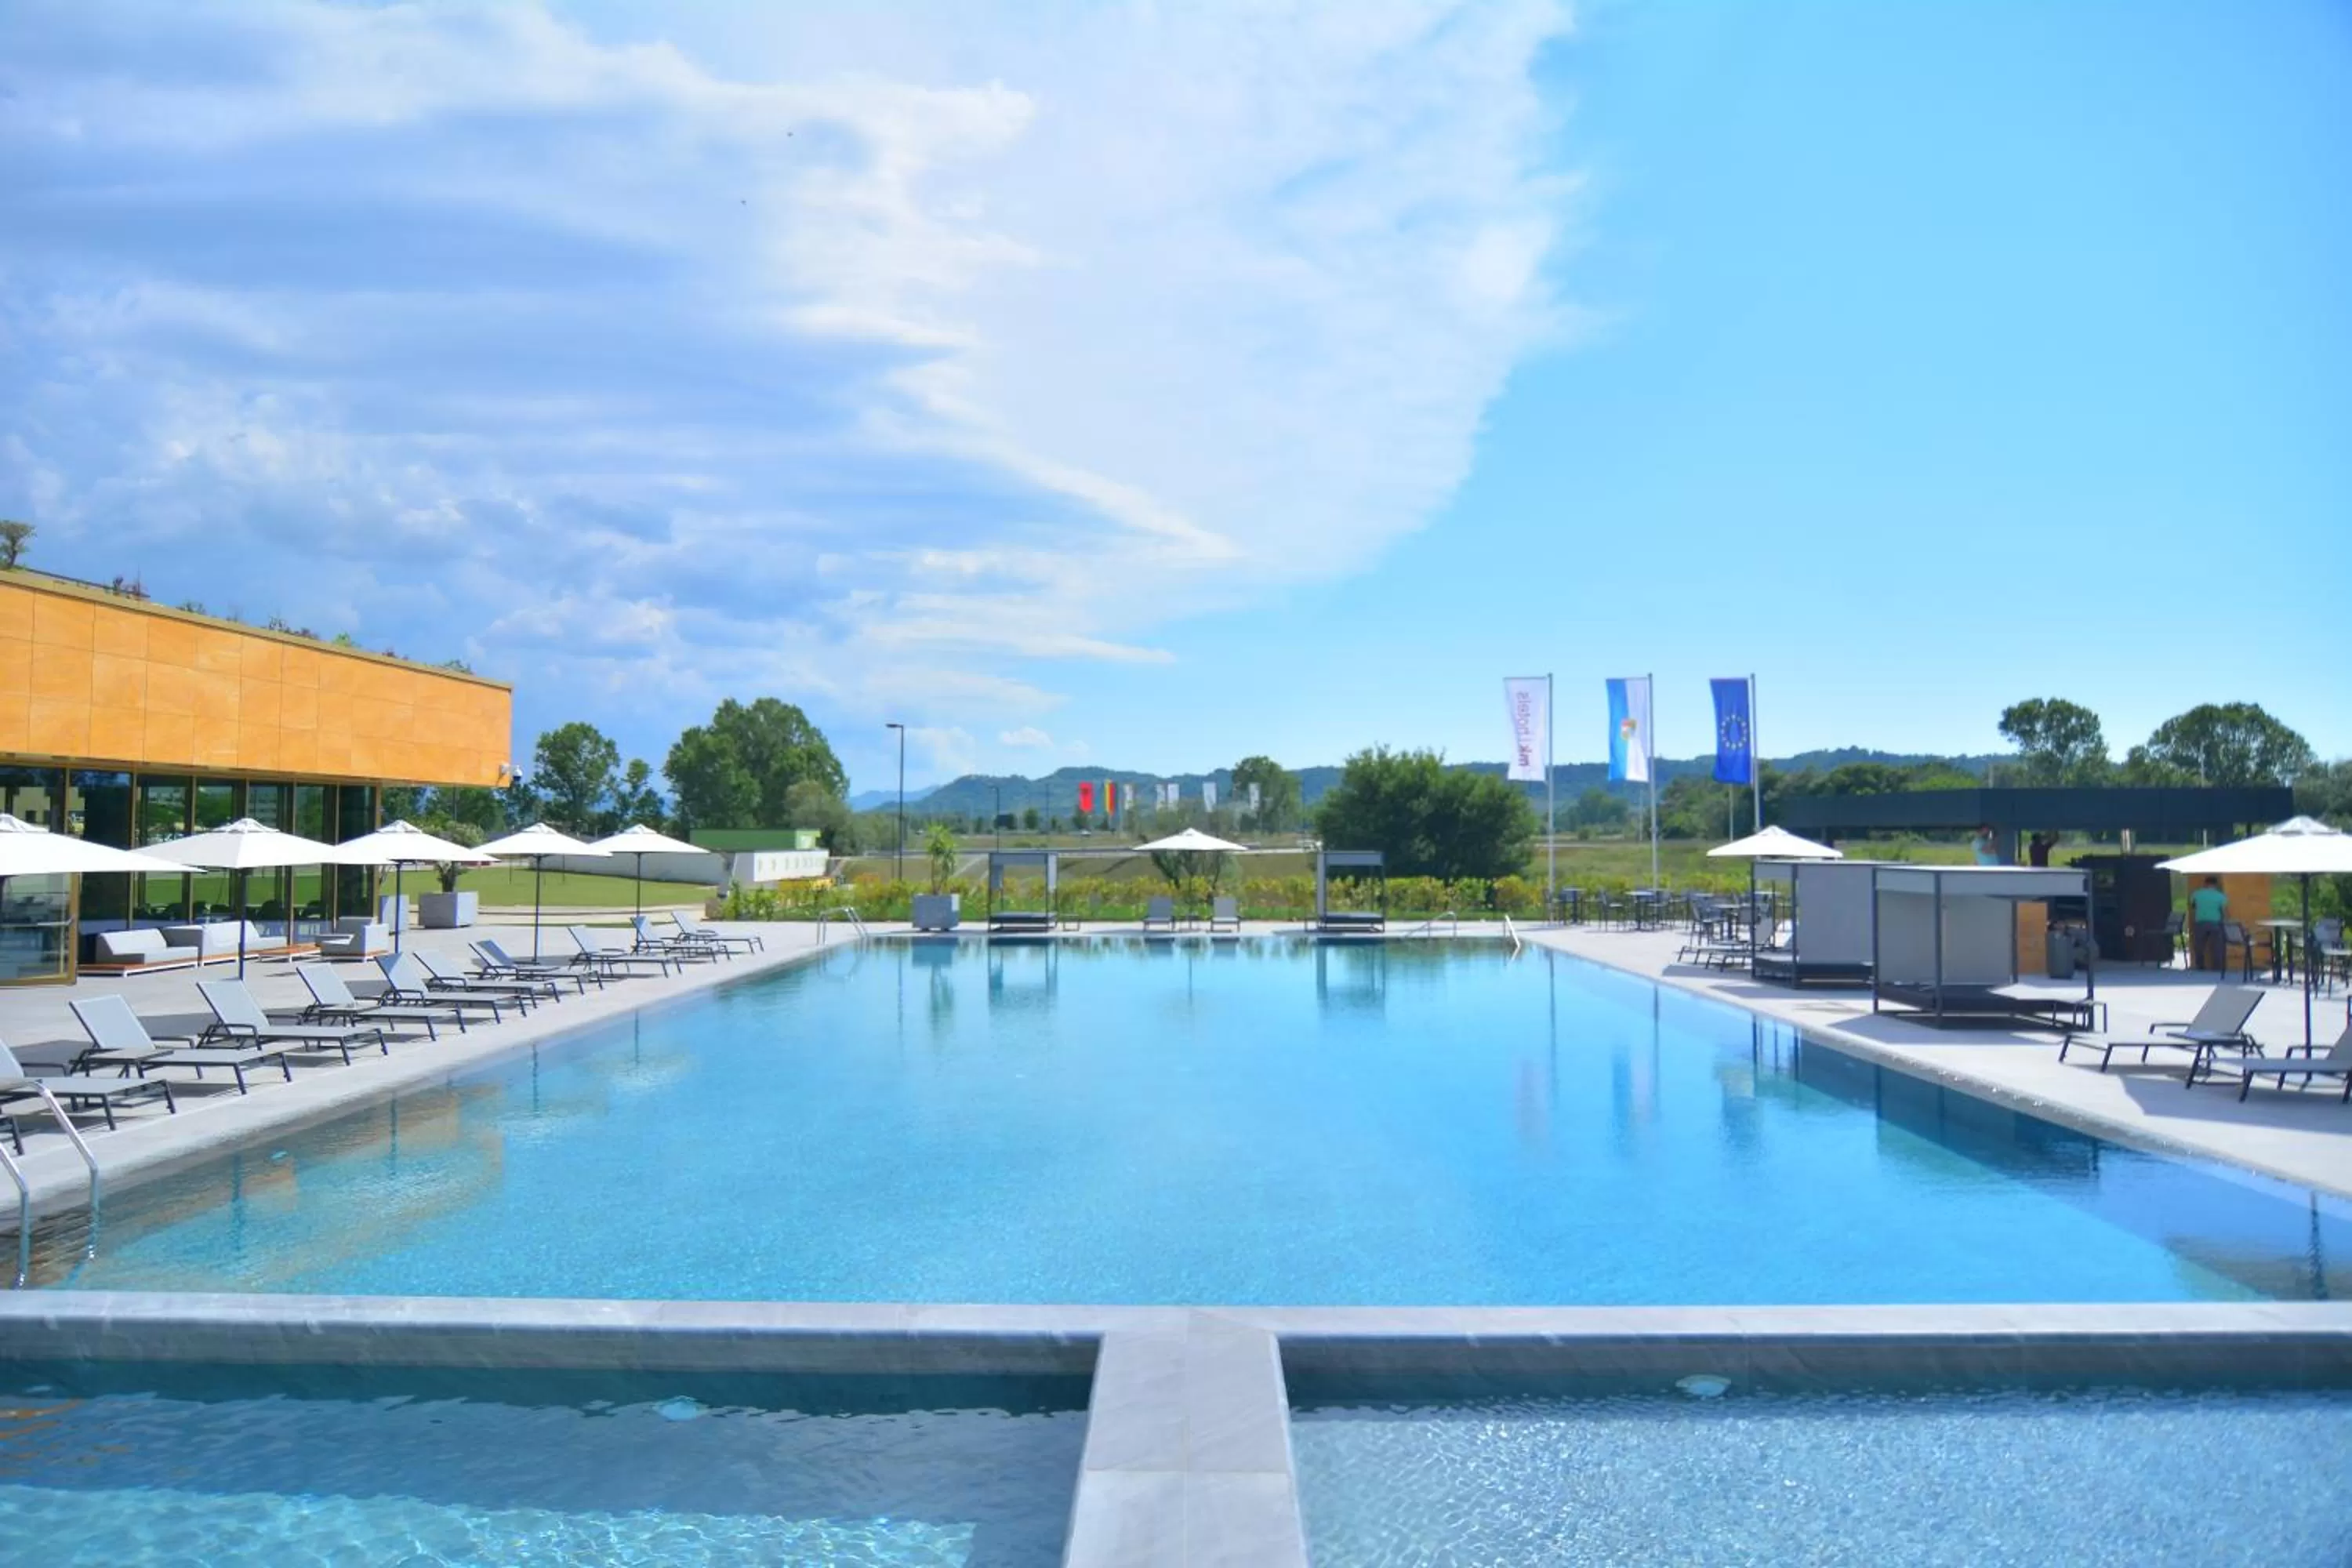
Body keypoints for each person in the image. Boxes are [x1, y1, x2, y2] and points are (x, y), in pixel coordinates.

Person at [2189, 876, 2229, 971]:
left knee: (2199, 946)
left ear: (2205, 884)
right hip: (2216, 923)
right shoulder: (2221, 896)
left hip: (2200, 922)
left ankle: (2200, 966)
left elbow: (2193, 906)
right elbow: (2223, 911)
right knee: (2217, 947)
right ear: (2215, 885)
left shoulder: (2196, 894)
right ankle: (2217, 968)